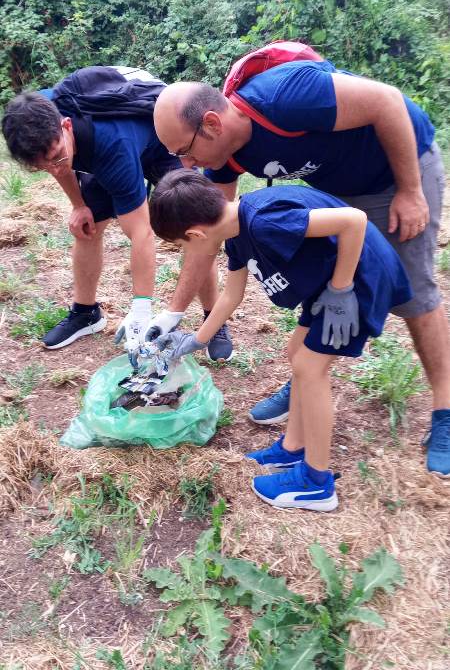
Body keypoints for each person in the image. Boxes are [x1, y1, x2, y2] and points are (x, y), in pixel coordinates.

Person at [151, 59, 450, 476]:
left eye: (183, 151)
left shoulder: (284, 96)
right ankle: (307, 383)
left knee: (415, 293)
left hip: (397, 166)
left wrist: (411, 190)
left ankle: (445, 411)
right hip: (341, 192)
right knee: (306, 346)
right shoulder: (223, 160)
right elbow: (206, 237)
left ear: (212, 124)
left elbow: (386, 101)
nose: (186, 164)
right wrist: (175, 317)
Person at [148, 169, 413, 509]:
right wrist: (196, 340)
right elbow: (232, 294)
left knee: (309, 367)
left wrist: (342, 289)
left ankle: (317, 483)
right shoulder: (236, 230)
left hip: (358, 282)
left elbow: (353, 220)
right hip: (328, 285)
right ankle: (293, 449)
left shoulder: (262, 221)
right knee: (296, 353)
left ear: (195, 234)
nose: (186, 250)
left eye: (181, 245)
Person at [1, 67, 233, 367]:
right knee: (87, 225)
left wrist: (140, 310)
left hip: (157, 142)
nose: (55, 168)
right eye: (42, 167)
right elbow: (56, 164)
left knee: (194, 227)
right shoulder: (39, 117)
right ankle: (86, 313)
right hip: (100, 146)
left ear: (66, 126)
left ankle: (213, 320)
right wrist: (78, 204)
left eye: (58, 156)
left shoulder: (111, 147)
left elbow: (141, 233)